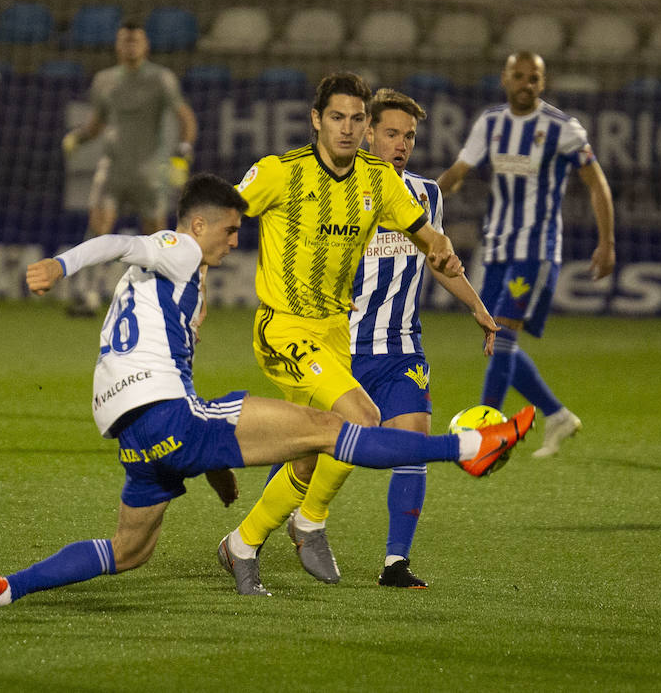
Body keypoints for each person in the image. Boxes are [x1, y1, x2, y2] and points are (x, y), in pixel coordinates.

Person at [0, 174, 534, 615]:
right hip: (170, 416)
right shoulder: (178, 248)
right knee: (328, 427)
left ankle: (3, 589)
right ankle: (470, 445)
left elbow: (170, 370)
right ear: (198, 224)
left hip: (138, 438)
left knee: (127, 550)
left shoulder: (167, 291)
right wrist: (59, 266)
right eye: (230, 229)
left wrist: (214, 462)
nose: (234, 241)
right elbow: (118, 242)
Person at [219, 72, 480, 595]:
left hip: (335, 330)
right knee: (361, 417)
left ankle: (242, 544)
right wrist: (192, 283)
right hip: (283, 327)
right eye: (336, 117)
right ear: (317, 120)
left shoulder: (376, 180)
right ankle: (309, 520)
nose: (347, 128)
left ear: (365, 126)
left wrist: (438, 244)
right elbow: (221, 214)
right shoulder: (278, 173)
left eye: (356, 119)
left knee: (311, 450)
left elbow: (422, 229)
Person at [343, 88, 498, 588]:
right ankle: (250, 539)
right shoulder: (340, 191)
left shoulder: (426, 194)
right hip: (339, 348)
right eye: (391, 133)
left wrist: (477, 307)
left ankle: (395, 562)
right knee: (316, 453)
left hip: (402, 347)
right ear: (368, 132)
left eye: (408, 135)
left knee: (412, 445)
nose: (401, 143)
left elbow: (440, 261)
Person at [438, 51, 615, 459]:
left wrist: (606, 242)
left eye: (533, 77)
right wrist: (416, 203)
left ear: (543, 81)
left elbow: (596, 184)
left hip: (535, 251)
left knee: (500, 338)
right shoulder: (492, 123)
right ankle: (557, 415)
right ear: (504, 79)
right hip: (497, 246)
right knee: (496, 338)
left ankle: (488, 436)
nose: (526, 84)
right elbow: (457, 174)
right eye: (518, 76)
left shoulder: (562, 128)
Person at [60, 21, 198, 315]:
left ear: (146, 45)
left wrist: (182, 153)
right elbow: (97, 124)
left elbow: (185, 118)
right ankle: (90, 295)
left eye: (136, 41)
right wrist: (78, 137)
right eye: (125, 41)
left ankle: (159, 299)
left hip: (149, 171)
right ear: (117, 46)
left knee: (156, 239)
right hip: (112, 169)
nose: (130, 46)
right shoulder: (104, 80)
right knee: (98, 232)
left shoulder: (161, 79)